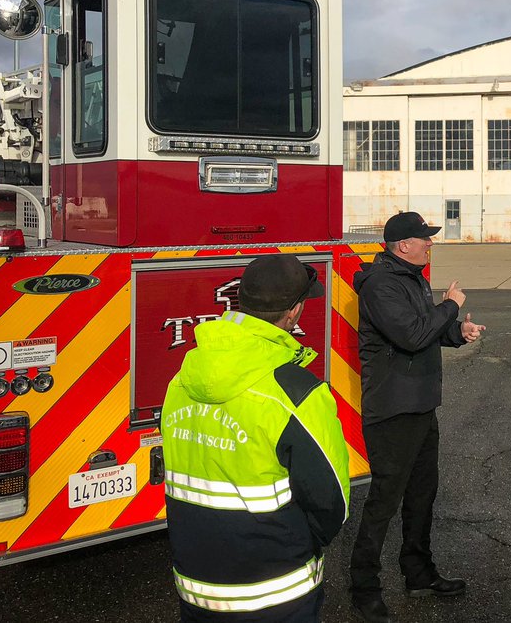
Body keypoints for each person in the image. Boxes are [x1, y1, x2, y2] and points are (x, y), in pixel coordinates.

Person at [161, 254, 350, 623]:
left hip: (197, 587)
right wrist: (301, 542)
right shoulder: (298, 393)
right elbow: (332, 503)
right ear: (293, 313)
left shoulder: (183, 376)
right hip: (278, 592)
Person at [348, 211, 486, 623]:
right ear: (403, 245)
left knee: (422, 495)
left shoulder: (412, 277)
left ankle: (419, 573)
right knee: (384, 501)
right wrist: (449, 306)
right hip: (393, 408)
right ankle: (364, 586)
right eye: (424, 238)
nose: (430, 243)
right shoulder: (381, 284)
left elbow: (424, 329)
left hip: (421, 403)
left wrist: (456, 331)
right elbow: (410, 334)